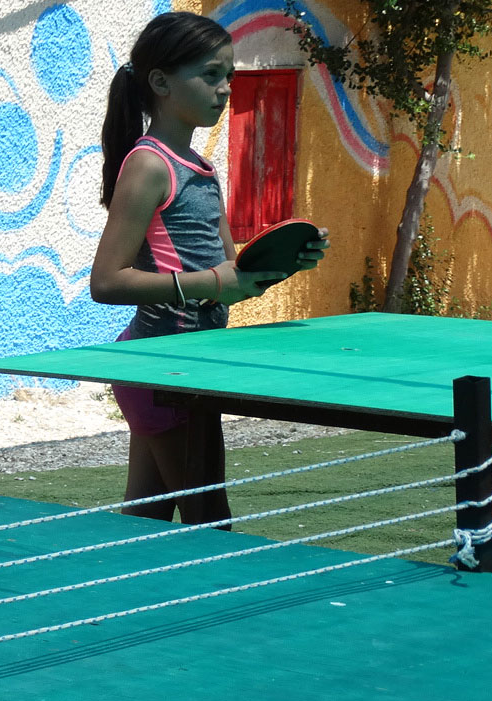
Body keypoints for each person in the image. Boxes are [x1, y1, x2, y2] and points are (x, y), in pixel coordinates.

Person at [89, 12, 325, 525]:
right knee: (212, 524)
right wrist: (216, 282)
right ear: (161, 82)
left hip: (190, 364)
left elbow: (228, 275)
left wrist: (278, 265)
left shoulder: (201, 168)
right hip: (161, 366)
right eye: (211, 75)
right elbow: (106, 281)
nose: (225, 89)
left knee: (145, 525)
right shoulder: (149, 164)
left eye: (229, 76)